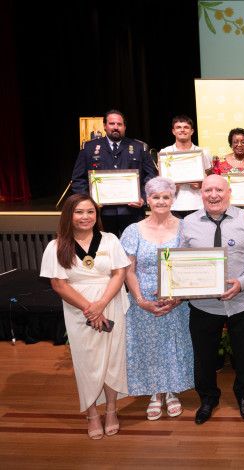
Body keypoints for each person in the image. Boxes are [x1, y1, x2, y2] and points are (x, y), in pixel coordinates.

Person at [40, 193, 130, 439]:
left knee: (113, 359)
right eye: (79, 212)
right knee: (87, 363)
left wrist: (100, 304)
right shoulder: (56, 246)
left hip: (110, 303)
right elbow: (59, 284)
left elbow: (119, 274)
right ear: (68, 215)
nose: (85, 217)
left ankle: (111, 410)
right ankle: (92, 412)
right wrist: (89, 308)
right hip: (79, 309)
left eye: (90, 211)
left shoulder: (110, 240)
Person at [182, 174, 244, 424]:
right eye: (208, 190)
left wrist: (242, 283)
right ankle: (208, 398)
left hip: (242, 301)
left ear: (229, 193)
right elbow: (180, 263)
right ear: (201, 194)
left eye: (219, 190)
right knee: (204, 356)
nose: (213, 195)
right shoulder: (187, 222)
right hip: (203, 304)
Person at [120, 177, 194, 421]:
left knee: (173, 345)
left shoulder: (186, 227)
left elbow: (192, 265)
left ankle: (172, 390)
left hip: (176, 300)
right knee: (150, 347)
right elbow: (128, 269)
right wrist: (140, 300)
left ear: (173, 199)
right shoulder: (133, 230)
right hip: (143, 300)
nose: (161, 201)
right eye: (156, 197)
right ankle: (155, 393)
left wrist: (178, 297)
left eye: (166, 196)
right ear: (147, 199)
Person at [71, 109, 157, 236]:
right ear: (105, 126)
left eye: (119, 124)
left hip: (132, 212)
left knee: (131, 252)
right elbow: (78, 180)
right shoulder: (89, 148)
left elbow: (152, 177)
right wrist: (89, 202)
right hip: (101, 214)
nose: (116, 127)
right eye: (112, 124)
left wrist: (143, 198)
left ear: (124, 127)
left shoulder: (139, 148)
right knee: (104, 251)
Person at [159, 115, 213, 218]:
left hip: (199, 205)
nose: (182, 130)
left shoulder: (203, 152)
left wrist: (202, 184)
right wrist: (172, 185)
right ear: (173, 131)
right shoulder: (165, 152)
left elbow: (210, 178)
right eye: (178, 127)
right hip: (173, 206)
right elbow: (161, 182)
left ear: (192, 131)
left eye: (186, 127)